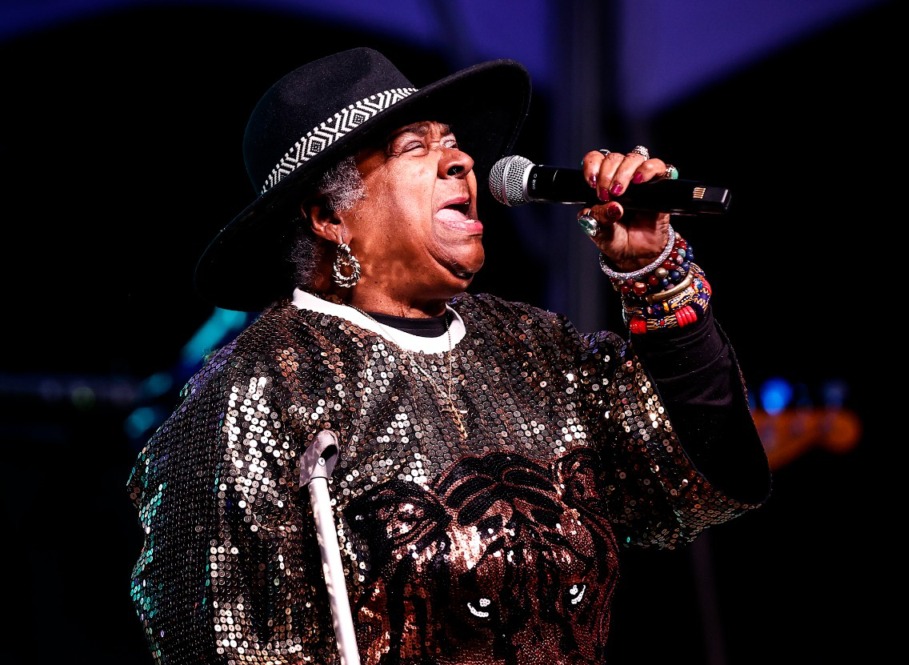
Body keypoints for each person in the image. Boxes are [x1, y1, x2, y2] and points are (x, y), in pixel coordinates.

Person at [126, 46, 771, 665]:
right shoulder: (257, 391)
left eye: (451, 139)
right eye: (415, 146)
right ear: (329, 215)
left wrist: (650, 271)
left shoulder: (534, 346)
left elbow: (696, 477)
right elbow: (216, 639)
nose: (460, 160)